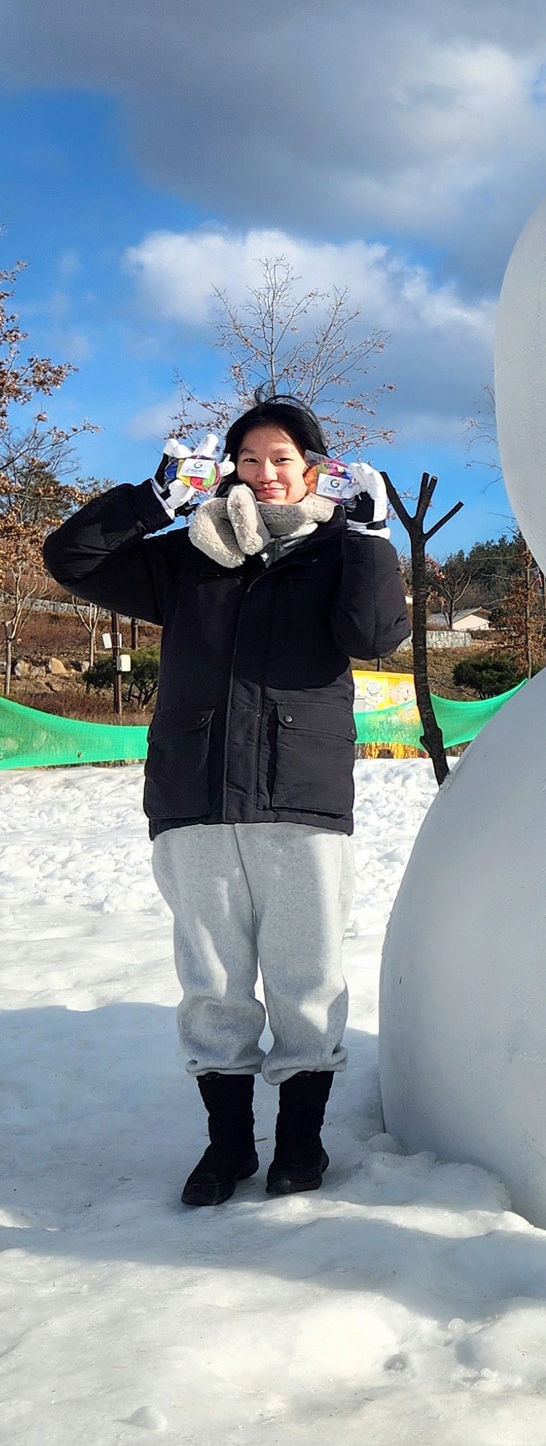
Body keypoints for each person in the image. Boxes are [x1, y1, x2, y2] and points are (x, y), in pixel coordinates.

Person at [43, 395, 409, 1206]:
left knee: (305, 977)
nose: (265, 473)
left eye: (283, 458)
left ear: (314, 467)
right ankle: (229, 1147)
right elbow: (70, 559)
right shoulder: (190, 556)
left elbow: (376, 635)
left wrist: (375, 537)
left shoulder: (339, 553)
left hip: (299, 797)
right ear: (229, 468)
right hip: (195, 794)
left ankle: (301, 1144)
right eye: (249, 459)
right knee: (212, 980)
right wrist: (154, 498)